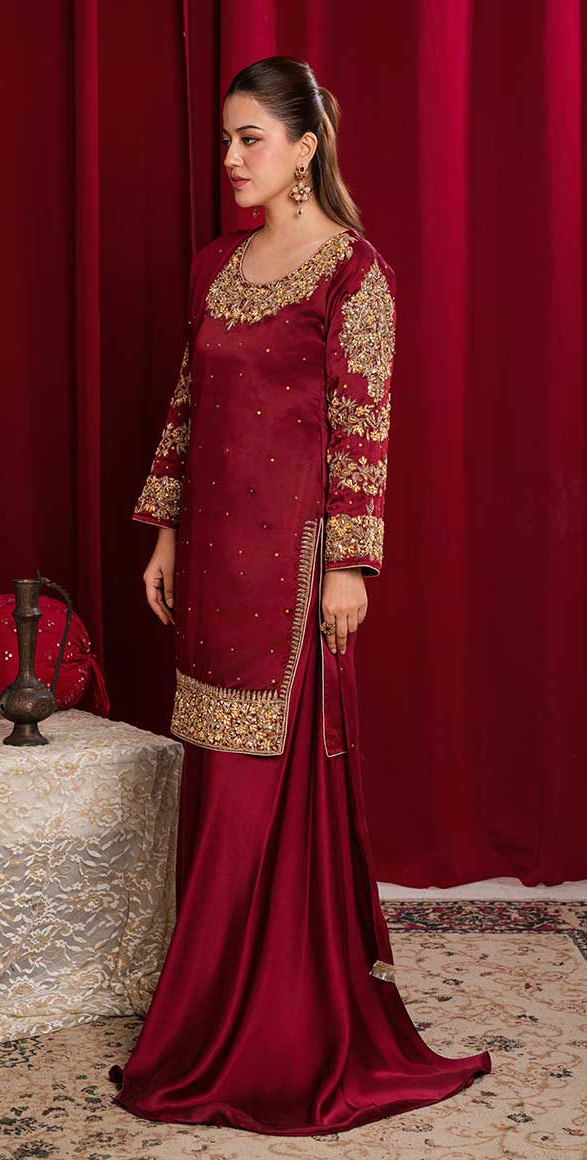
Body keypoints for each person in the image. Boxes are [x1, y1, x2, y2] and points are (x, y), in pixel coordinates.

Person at [107, 56, 492, 1137]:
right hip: (212, 567)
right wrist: (166, 530)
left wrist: (350, 565)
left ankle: (276, 1022)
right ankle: (203, 1018)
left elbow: (365, 424)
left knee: (269, 798)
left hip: (293, 576)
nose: (232, 159)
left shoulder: (353, 274)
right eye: (227, 140)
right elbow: (189, 404)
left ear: (305, 147)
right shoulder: (215, 267)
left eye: (252, 140)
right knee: (212, 782)